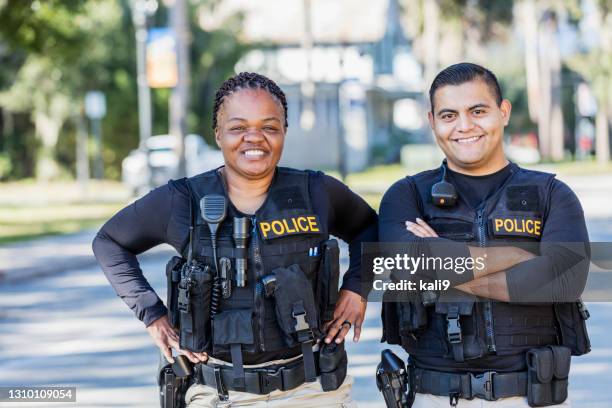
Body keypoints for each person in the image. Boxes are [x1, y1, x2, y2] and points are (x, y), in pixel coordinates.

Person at [93, 72, 377, 407]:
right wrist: (151, 314)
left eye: (269, 127)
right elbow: (109, 242)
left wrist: (358, 288)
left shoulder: (317, 192)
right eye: (238, 127)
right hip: (217, 393)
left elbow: (371, 229)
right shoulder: (182, 200)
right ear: (218, 133)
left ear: (284, 130)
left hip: (311, 388)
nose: (253, 138)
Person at [378, 63, 590, 407]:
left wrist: (443, 265)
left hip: (529, 396)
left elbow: (564, 279)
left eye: (478, 111)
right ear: (432, 122)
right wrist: (518, 257)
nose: (465, 126)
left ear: (503, 112)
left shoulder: (551, 193)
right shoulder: (407, 196)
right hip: (434, 397)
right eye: (449, 115)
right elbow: (406, 266)